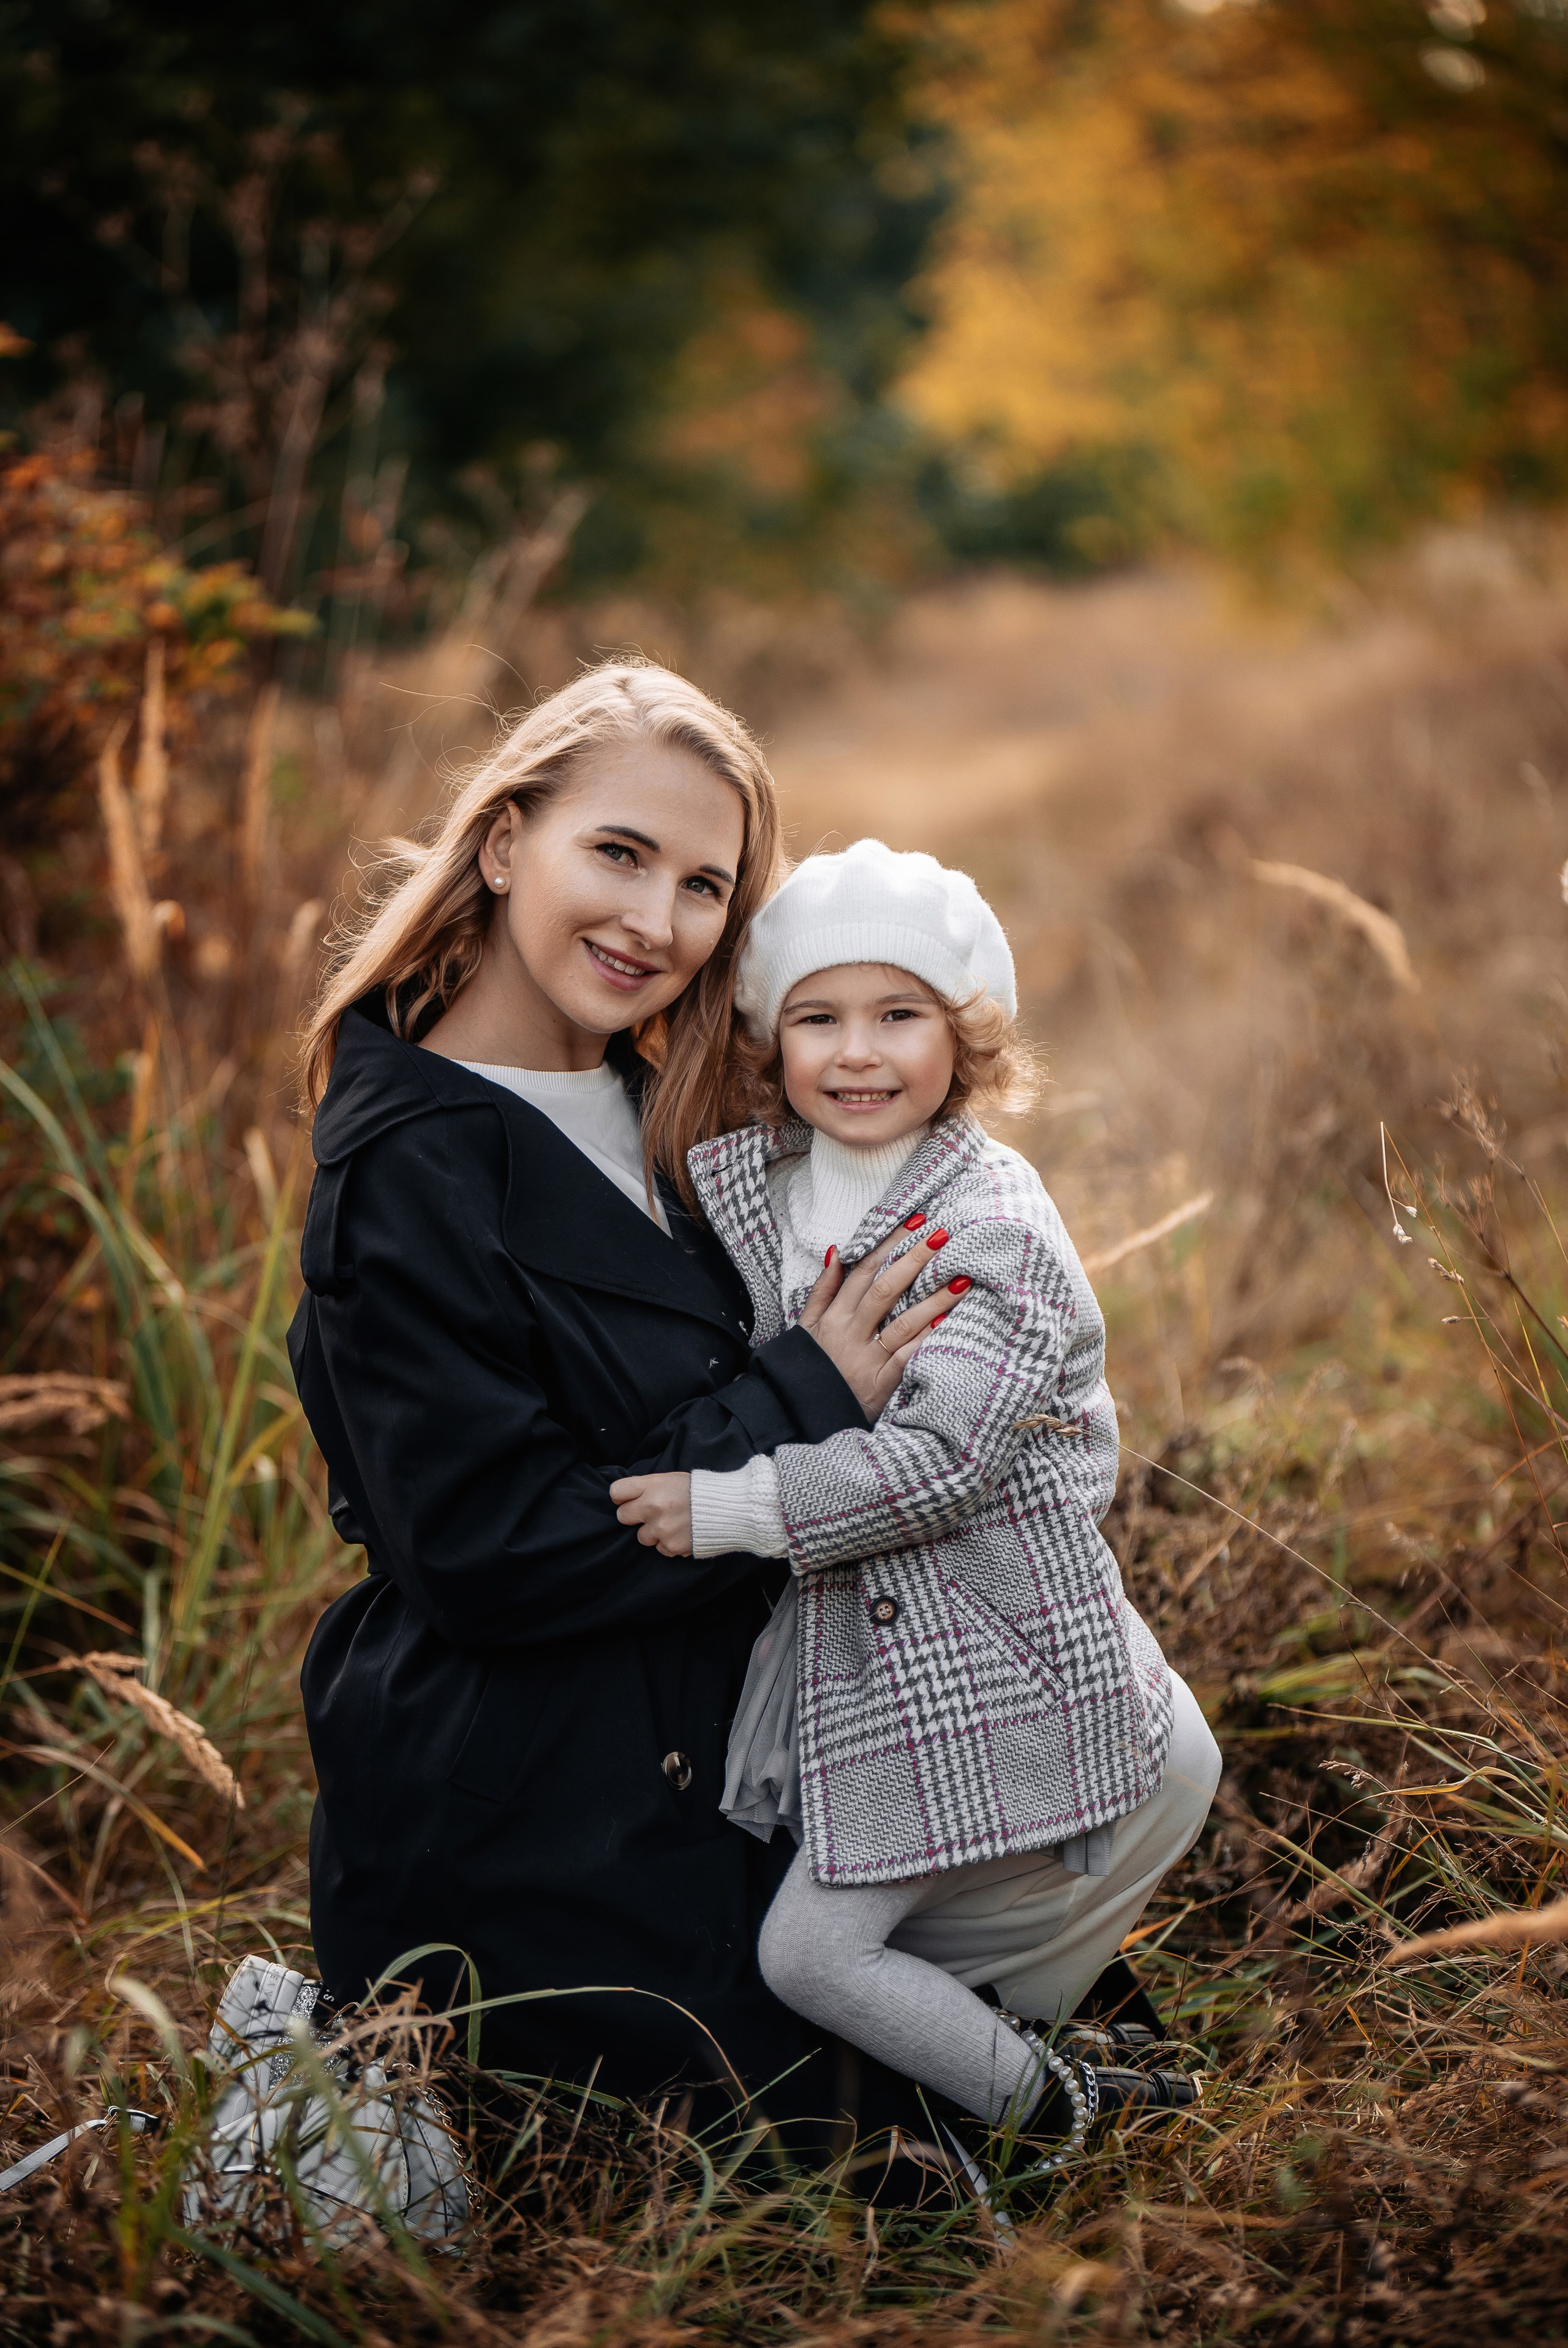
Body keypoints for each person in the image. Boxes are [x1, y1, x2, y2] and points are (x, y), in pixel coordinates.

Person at [287, 666, 955, 2121]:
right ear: (502, 840)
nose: (655, 923)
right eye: (619, 853)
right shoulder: (410, 1162)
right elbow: (487, 1552)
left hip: (747, 1739)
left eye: (704, 886)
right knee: (878, 2182)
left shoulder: (681, 1109)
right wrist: (798, 1399)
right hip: (540, 1805)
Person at [611, 839, 1223, 2147]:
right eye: (816, 1019)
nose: (857, 1054)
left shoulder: (992, 1226)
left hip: (971, 1636)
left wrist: (729, 1505)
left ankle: (1042, 2118)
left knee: (809, 1958)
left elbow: (942, 1464)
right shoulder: (759, 1181)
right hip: (851, 1645)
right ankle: (1020, 2072)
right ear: (771, 1043)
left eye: (899, 1017)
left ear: (966, 1041)